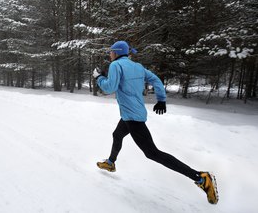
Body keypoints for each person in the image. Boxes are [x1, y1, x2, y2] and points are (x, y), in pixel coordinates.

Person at [93, 41, 219, 205]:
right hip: (131, 114)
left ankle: (201, 178)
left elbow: (109, 87)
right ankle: (110, 163)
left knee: (152, 153)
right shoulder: (137, 66)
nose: (109, 55)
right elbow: (156, 80)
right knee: (117, 135)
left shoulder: (116, 65)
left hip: (133, 118)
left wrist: (99, 78)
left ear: (116, 53)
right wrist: (161, 99)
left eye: (110, 52)